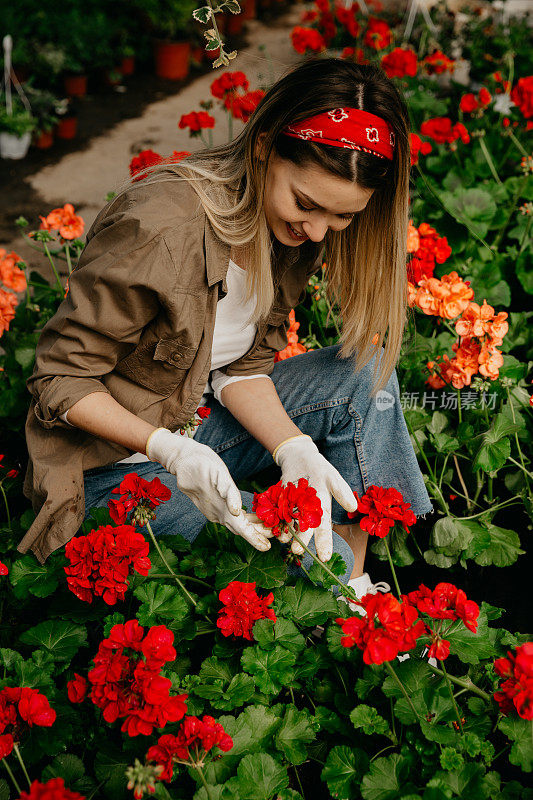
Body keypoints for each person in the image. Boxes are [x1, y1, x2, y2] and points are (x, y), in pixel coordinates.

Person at [18, 58, 433, 603]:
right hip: (109, 472)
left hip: (200, 431)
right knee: (224, 537)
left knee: (365, 375)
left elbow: (241, 365)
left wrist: (293, 446)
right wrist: (168, 450)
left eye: (342, 218)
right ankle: (323, 597)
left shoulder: (290, 233)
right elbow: (59, 378)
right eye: (306, 203)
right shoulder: (160, 228)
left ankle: (353, 588)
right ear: (263, 146)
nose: (315, 230)